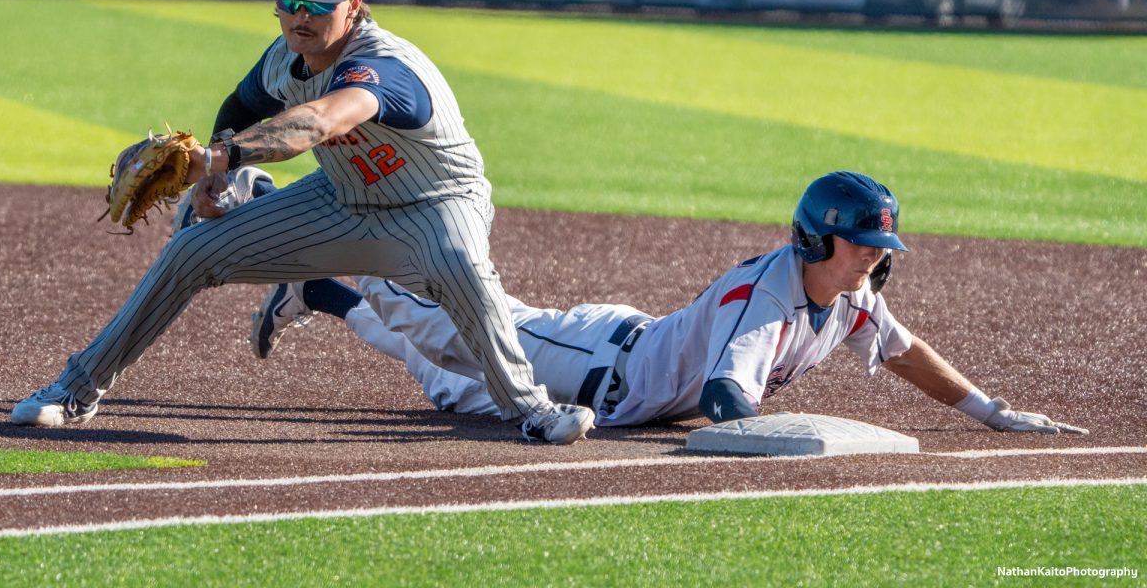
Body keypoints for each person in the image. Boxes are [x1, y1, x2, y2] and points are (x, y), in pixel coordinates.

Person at [11, 0, 594, 445]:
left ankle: (532, 409)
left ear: (355, 5)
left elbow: (321, 121)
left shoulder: (385, 66)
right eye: (289, 4)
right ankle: (76, 388)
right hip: (342, 201)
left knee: (462, 265)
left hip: (436, 205)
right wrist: (214, 178)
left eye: (318, 5)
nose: (301, 18)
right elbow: (240, 105)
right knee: (190, 251)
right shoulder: (284, 58)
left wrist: (216, 156)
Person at [252, 170, 1088, 434]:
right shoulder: (769, 297)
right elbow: (729, 398)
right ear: (815, 241)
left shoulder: (849, 292)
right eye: (863, 243)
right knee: (436, 318)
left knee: (444, 382)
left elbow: (908, 355)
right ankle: (288, 221)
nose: (876, 258)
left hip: (614, 375)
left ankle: (316, 292)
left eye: (881, 247)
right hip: (590, 363)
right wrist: (780, 447)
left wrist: (991, 411)